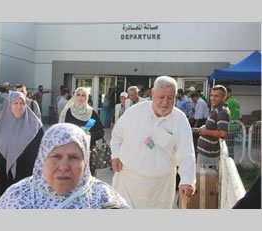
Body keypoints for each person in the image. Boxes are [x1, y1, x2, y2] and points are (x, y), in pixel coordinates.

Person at [0, 123, 130, 209]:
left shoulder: (105, 200)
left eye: (74, 157)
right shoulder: (16, 198)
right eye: (56, 156)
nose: (64, 167)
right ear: (42, 159)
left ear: (85, 161)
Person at [110, 76, 196, 208]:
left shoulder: (180, 120)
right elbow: (116, 135)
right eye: (161, 97)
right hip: (127, 182)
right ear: (152, 93)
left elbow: (186, 154)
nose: (165, 102)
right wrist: (115, 155)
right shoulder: (134, 112)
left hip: (160, 189)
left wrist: (187, 180)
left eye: (170, 98)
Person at [0, 91, 44, 208]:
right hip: (4, 176)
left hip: (28, 177)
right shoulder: (0, 125)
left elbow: (44, 150)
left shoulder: (35, 125)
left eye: (22, 103)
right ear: (9, 105)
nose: (19, 106)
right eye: (15, 103)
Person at [59, 87, 104, 176]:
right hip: (71, 151)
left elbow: (101, 132)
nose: (80, 97)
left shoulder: (92, 113)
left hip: (88, 152)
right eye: (78, 95)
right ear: (74, 96)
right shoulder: (68, 111)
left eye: (83, 95)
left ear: (86, 97)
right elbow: (62, 130)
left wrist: (90, 134)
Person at [197, 85, 230, 169]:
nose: (213, 98)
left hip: (209, 157)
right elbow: (214, 126)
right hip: (206, 155)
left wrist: (205, 131)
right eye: (211, 95)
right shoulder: (216, 109)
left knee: (205, 181)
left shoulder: (221, 111)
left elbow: (223, 133)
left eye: (216, 96)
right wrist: (204, 127)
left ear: (224, 97)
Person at [225, 87, 241, 158]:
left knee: (227, 146)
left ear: (229, 93)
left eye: (225, 94)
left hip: (229, 127)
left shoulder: (228, 102)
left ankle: (228, 162)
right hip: (235, 126)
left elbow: (223, 112)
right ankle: (231, 161)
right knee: (231, 146)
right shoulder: (236, 101)